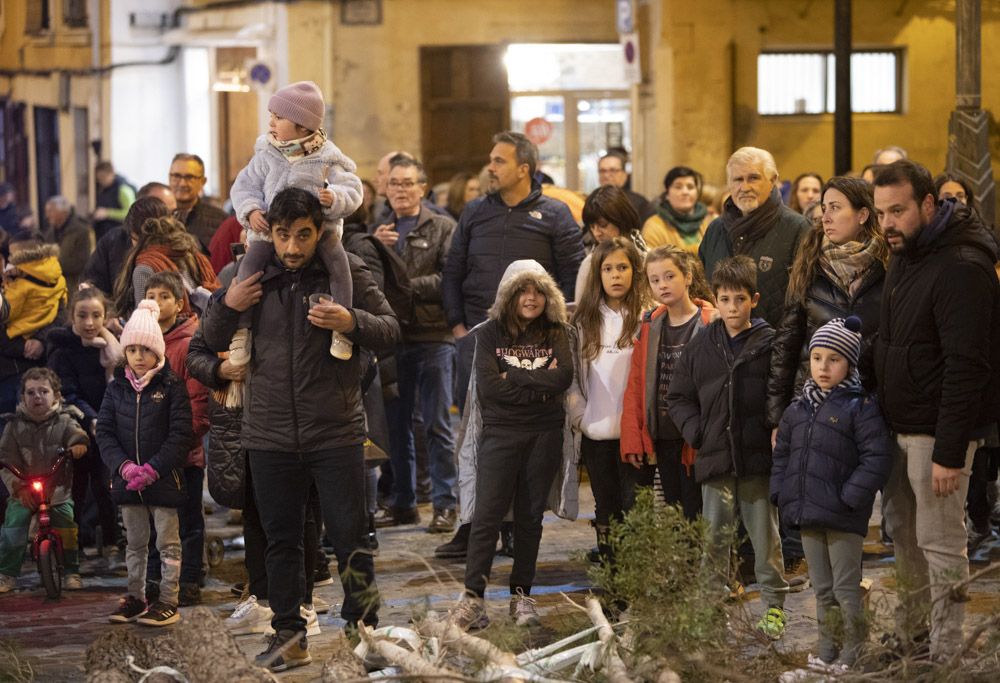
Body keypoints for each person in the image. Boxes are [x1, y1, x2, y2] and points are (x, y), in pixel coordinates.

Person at [199, 187, 399, 671]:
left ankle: (362, 632)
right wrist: (228, 305)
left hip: (335, 432)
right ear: (269, 229)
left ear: (320, 230)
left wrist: (350, 319)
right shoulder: (247, 275)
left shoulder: (344, 270)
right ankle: (289, 635)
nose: (292, 247)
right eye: (284, 235)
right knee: (280, 540)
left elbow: (392, 331)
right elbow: (201, 348)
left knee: (351, 537)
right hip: (268, 435)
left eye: (303, 235)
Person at [872, 159, 1000, 659]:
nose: (887, 224)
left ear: (928, 204)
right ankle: (914, 636)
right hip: (900, 422)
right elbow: (900, 339)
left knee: (941, 541)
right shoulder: (908, 252)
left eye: (898, 210)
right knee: (905, 534)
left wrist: (949, 451)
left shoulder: (963, 266)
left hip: (937, 433)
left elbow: (967, 367)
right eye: (881, 212)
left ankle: (946, 653)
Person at [439, 131, 584, 559]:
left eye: (499, 161)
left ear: (524, 168)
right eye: (491, 159)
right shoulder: (475, 212)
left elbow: (573, 278)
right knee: (475, 438)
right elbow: (454, 271)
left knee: (527, 443)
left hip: (535, 350)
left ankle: (518, 528)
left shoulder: (555, 215)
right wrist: (459, 327)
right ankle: (474, 523)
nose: (490, 167)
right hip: (478, 343)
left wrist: (556, 334)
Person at [666, 255, 790, 640]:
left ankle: (773, 608)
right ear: (715, 301)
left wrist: (774, 428)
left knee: (765, 540)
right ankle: (709, 607)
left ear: (753, 299)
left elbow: (780, 393)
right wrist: (697, 433)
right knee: (714, 541)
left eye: (739, 299)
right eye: (725, 299)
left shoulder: (769, 343)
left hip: (756, 461)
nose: (732, 308)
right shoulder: (703, 344)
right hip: (715, 458)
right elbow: (679, 396)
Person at [448, 261, 573, 631]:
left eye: (538, 291)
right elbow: (489, 387)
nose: (531, 298)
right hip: (500, 435)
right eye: (523, 290)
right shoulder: (489, 333)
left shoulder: (556, 331)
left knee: (530, 517)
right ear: (508, 296)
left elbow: (563, 377)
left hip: (544, 435)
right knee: (486, 517)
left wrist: (515, 375)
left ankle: (522, 597)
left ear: (548, 296)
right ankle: (473, 599)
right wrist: (537, 384)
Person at [770, 316, 891, 668]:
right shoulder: (797, 410)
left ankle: (854, 648)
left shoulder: (861, 408)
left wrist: (850, 497)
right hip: (808, 514)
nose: (823, 367)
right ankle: (827, 649)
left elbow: (876, 458)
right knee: (821, 589)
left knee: (845, 588)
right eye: (817, 357)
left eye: (834, 359)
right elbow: (783, 457)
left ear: (849, 364)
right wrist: (782, 493)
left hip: (842, 515)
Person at [228, 81, 362, 363]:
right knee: (249, 266)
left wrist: (335, 198)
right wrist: (252, 211)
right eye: (272, 116)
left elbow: (353, 189)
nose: (271, 122)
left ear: (302, 126)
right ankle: (242, 330)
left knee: (339, 265)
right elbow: (244, 187)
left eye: (279, 117)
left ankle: (342, 326)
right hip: (270, 231)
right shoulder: (266, 152)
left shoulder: (327, 155)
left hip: (318, 231)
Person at [371, 157, 457, 532]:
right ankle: (403, 502)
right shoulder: (378, 230)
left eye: (409, 183)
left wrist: (403, 284)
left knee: (437, 424)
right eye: (395, 184)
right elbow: (366, 280)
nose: (401, 190)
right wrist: (376, 250)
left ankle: (445, 503)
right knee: (395, 426)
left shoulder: (441, 227)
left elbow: (449, 278)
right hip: (392, 339)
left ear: (423, 187)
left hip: (433, 337)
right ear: (385, 188)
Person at [98, 300, 193, 627]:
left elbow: (181, 434)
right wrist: (124, 468)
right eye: (132, 349)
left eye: (145, 349)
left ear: (158, 351)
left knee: (167, 543)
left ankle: (168, 599)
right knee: (135, 544)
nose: (138, 356)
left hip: (163, 481)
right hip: (128, 483)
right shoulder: (116, 389)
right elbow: (105, 432)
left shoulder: (171, 386)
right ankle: (136, 596)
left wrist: (153, 469)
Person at [768, 176, 888, 429]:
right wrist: (778, 419)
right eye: (824, 209)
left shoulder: (888, 268)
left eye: (835, 207)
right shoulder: (809, 267)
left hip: (868, 411)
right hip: (812, 407)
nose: (826, 217)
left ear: (863, 214)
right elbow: (785, 347)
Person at [620, 245, 715, 522]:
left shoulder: (710, 322)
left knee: (699, 512)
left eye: (670, 276)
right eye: (655, 279)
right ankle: (681, 566)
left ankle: (702, 566)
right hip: (664, 434)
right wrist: (633, 437)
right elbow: (636, 384)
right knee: (673, 512)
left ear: (687, 276)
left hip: (699, 436)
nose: (663, 285)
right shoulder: (650, 324)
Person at [568, 238, 647, 562]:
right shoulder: (583, 321)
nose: (616, 275)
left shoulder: (646, 317)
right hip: (596, 434)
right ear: (597, 274)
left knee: (635, 506)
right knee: (606, 506)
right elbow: (572, 377)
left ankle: (633, 576)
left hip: (634, 436)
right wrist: (580, 418)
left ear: (634, 271)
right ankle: (611, 573)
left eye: (623, 268)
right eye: (608, 268)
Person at [141, 272, 210, 606]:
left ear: (179, 302)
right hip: (150, 456)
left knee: (188, 521)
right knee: (155, 522)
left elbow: (198, 401)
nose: (156, 301)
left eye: (164, 295)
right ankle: (157, 578)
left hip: (184, 454)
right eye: (150, 294)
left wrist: (180, 443)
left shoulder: (186, 343)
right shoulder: (140, 344)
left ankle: (190, 577)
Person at [46, 287, 124, 565]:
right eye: (82, 316)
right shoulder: (63, 350)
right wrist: (91, 418)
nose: (90, 323)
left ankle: (114, 541)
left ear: (106, 316)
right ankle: (73, 548)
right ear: (72, 317)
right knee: (75, 489)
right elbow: (67, 392)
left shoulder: (112, 348)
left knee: (106, 487)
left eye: (96, 315)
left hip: (105, 427)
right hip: (75, 428)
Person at [698, 147, 811, 327]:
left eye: (753, 178)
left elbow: (804, 304)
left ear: (773, 180)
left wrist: (781, 352)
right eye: (738, 180)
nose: (745, 187)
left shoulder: (798, 229)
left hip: (773, 348)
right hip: (720, 347)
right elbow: (701, 290)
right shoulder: (715, 229)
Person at [0, 368, 89, 593]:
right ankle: (7, 573)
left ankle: (71, 571)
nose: (37, 396)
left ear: (56, 396)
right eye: (31, 392)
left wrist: (78, 444)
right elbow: (6, 459)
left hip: (56, 489)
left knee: (66, 525)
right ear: (22, 398)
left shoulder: (65, 420)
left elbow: (77, 434)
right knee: (13, 526)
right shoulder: (13, 426)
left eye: (43, 391)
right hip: (24, 489)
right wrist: (18, 487)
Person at [113, 215, 220, 319]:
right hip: (206, 328)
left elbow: (143, 320)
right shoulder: (194, 256)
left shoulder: (145, 267)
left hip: (167, 333)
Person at [83, 186, 175, 297]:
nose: (169, 221)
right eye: (159, 211)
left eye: (173, 213)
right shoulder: (113, 240)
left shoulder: (180, 248)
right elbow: (93, 280)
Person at [573, 185, 647, 304]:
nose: (597, 233)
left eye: (603, 225)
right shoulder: (590, 264)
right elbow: (580, 314)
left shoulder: (646, 259)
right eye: (592, 227)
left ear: (621, 220)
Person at [641, 166, 711, 253]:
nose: (685, 192)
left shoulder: (708, 222)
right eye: (678, 187)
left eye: (690, 187)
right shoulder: (653, 226)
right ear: (667, 193)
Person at [169, 153, 228, 254]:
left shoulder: (220, 220)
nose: (182, 183)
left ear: (203, 181)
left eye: (189, 177)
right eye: (177, 176)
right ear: (169, 177)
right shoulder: (157, 216)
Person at [42, 195, 95, 294]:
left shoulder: (81, 231)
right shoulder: (50, 233)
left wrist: (53, 266)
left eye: (51, 211)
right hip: (53, 286)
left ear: (64, 212)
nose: (47, 215)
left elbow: (81, 262)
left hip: (73, 286)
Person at [598, 151, 652, 222]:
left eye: (612, 170)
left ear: (624, 174)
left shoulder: (640, 204)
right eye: (603, 171)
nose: (606, 175)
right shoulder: (593, 202)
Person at [93, 161, 136, 243]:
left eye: (103, 177)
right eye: (99, 179)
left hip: (119, 237)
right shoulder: (104, 189)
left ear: (111, 173)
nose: (101, 181)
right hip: (105, 236)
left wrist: (107, 213)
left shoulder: (123, 189)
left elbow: (130, 213)